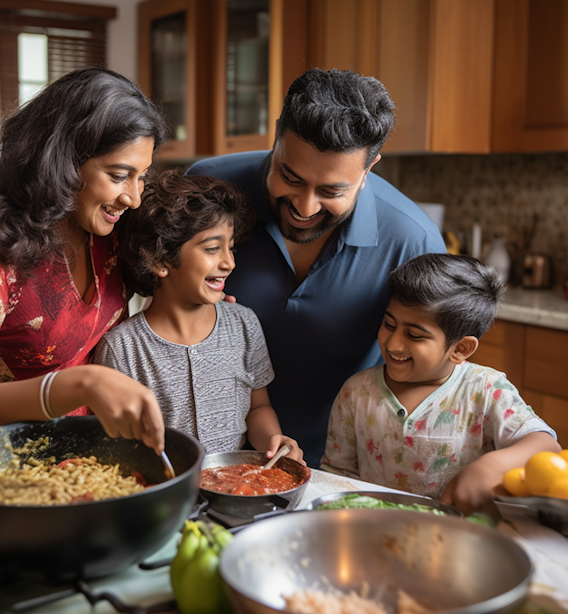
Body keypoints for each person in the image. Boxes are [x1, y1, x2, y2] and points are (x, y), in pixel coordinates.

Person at [187, 68, 446, 465]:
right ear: (276, 137)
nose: (304, 207)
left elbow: (434, 374)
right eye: (289, 176)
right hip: (204, 453)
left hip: (340, 465)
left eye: (331, 191)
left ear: (369, 169)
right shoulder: (207, 186)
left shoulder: (413, 241)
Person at [0, 67, 169, 455]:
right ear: (63, 159)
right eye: (118, 175)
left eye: (141, 176)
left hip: (87, 462)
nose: (133, 198)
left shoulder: (104, 229)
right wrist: (77, 385)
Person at [322, 254, 560, 515]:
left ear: (460, 348)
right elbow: (337, 475)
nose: (392, 344)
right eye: (389, 324)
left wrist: (490, 468)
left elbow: (545, 445)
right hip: (377, 533)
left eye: (414, 335)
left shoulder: (486, 390)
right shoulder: (356, 392)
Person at [93, 171, 304, 463]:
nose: (229, 263)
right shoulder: (121, 350)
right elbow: (118, 446)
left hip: (237, 485)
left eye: (230, 247)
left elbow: (258, 408)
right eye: (212, 249)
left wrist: (274, 441)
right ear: (161, 260)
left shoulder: (244, 324)